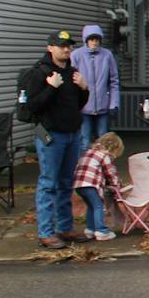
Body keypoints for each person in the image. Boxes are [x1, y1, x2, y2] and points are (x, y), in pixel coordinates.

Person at [21, 29, 89, 250]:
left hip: (72, 133)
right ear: (50, 48)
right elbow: (32, 105)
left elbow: (78, 104)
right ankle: (46, 232)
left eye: (69, 46)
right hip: (51, 134)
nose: (66, 49)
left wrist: (84, 89)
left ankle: (65, 227)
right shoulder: (39, 73)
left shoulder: (72, 73)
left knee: (66, 183)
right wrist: (51, 88)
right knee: (48, 183)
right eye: (61, 46)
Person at [72, 24, 121, 142]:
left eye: (97, 39)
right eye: (91, 39)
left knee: (103, 141)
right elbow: (71, 81)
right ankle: (84, 161)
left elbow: (114, 81)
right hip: (83, 107)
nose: (94, 42)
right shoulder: (76, 55)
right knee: (84, 141)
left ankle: (103, 161)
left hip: (103, 106)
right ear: (86, 40)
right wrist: (74, 104)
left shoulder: (107, 55)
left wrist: (114, 103)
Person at [71, 132, 123, 241]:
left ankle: (90, 229)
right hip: (90, 184)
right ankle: (101, 230)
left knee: (91, 206)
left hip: (78, 184)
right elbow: (111, 173)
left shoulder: (89, 152)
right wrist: (117, 186)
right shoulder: (104, 155)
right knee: (98, 206)